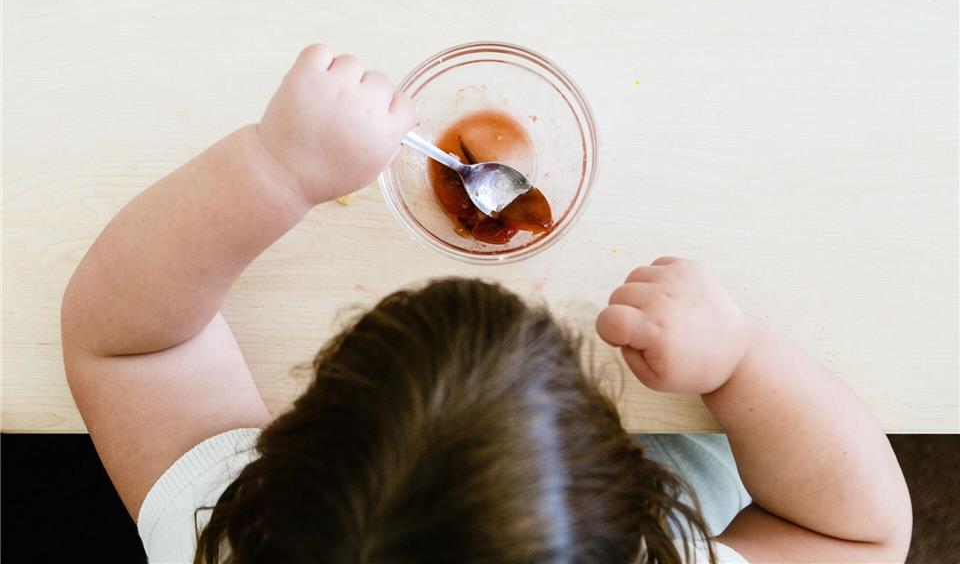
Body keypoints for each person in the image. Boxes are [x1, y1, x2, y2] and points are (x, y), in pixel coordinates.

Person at [61, 44, 912, 563]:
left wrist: (275, 170)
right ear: (634, 509)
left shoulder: (224, 543)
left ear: (268, 471)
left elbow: (128, 345)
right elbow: (860, 538)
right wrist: (739, 362)